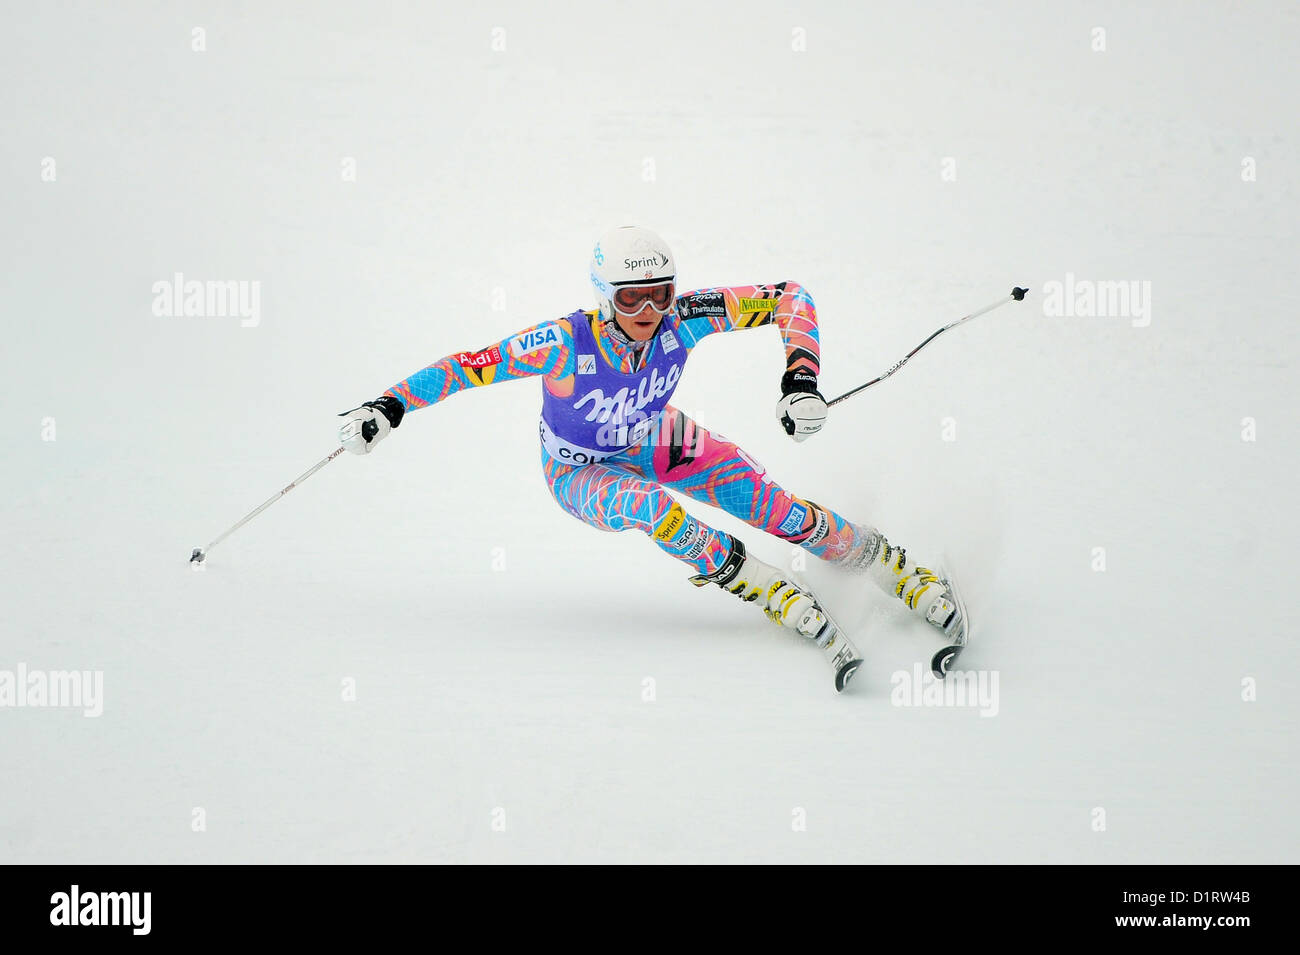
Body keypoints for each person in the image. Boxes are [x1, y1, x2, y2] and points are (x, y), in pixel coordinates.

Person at [339, 226, 966, 663]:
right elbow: (466, 366)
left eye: (659, 293)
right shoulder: (561, 344)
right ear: (602, 297)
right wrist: (386, 407)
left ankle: (886, 565)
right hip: (580, 471)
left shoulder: (685, 317)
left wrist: (800, 378)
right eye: (630, 297)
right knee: (651, 509)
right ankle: (762, 584)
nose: (648, 309)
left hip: (657, 437)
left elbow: (789, 299)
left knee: (778, 508)